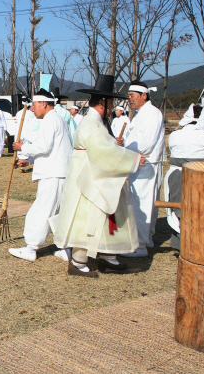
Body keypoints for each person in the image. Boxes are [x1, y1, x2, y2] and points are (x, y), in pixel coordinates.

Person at [52, 75, 144, 277]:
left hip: (92, 172)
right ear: (103, 103)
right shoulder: (92, 125)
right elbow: (104, 151)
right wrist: (133, 159)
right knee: (88, 217)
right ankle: (79, 261)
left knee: (105, 214)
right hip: (89, 176)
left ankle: (108, 255)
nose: (112, 107)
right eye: (110, 103)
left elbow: (105, 147)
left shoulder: (94, 122)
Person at [8, 89, 72, 262]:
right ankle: (64, 247)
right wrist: (29, 161)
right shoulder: (55, 120)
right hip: (59, 172)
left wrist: (23, 148)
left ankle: (31, 248)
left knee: (42, 209)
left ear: (44, 104)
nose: (32, 109)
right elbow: (53, 150)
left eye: (34, 105)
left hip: (53, 174)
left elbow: (43, 146)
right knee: (57, 211)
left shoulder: (51, 120)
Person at [164, 104, 204, 250]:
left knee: (178, 210)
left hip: (176, 174)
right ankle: (197, 243)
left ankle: (179, 244)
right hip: (200, 175)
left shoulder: (175, 134)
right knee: (201, 209)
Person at [118, 81, 166, 258]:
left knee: (141, 204)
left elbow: (146, 143)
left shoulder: (152, 113)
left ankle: (140, 245)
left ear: (144, 95)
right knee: (147, 202)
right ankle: (148, 238)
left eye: (132, 95)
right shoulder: (140, 114)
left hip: (146, 162)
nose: (129, 99)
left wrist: (124, 151)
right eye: (128, 96)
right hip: (140, 161)